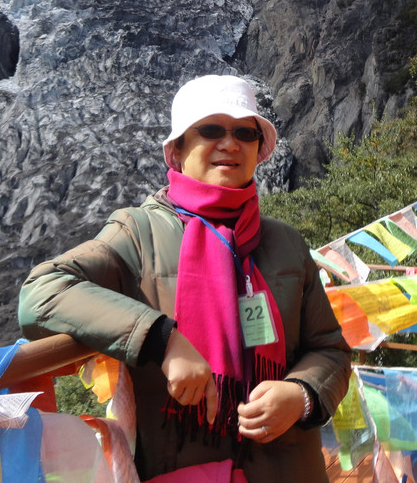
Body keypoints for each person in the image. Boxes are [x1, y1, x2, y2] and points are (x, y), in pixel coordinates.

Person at [18, 74, 351, 482]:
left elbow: (330, 349)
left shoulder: (285, 243)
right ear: (176, 151)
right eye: (210, 129)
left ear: (257, 149)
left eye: (244, 132)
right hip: (177, 469)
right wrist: (162, 338)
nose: (230, 144)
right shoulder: (136, 233)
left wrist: (300, 395)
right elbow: (42, 292)